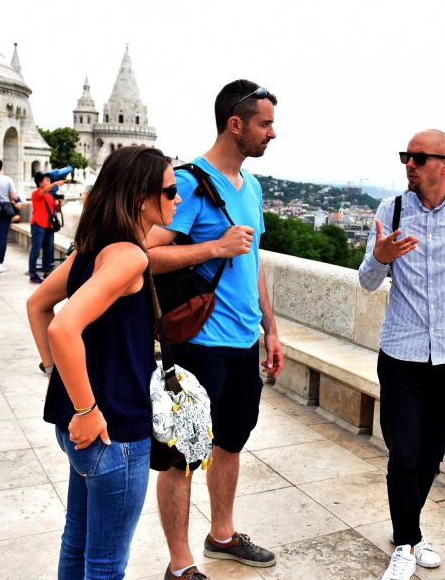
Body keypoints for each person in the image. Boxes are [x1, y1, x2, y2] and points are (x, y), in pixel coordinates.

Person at [144, 80, 283, 580]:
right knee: (181, 456)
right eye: (265, 123)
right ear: (236, 124)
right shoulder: (186, 183)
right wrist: (213, 247)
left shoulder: (254, 187)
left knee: (230, 441)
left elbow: (254, 263)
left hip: (243, 343)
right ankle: (180, 565)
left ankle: (221, 536)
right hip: (195, 344)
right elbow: (146, 256)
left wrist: (271, 329)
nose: (273, 133)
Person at [27, 146, 181, 580]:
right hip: (115, 431)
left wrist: (61, 377)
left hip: (81, 428)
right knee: (106, 566)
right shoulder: (129, 256)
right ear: (140, 197)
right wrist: (87, 408)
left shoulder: (91, 248)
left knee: (76, 544)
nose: (178, 200)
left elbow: (38, 304)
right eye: (170, 191)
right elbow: (62, 328)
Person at [358, 129, 445, 580]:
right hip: (402, 351)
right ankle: (406, 544)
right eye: (406, 156)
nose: (410, 164)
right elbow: (366, 280)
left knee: (432, 453)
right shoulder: (392, 210)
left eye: (419, 157)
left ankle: (409, 531)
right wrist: (380, 257)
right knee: (403, 454)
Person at [28, 172, 65, 284]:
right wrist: (55, 183)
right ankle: (32, 273)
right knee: (36, 250)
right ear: (40, 183)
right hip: (38, 224)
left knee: (48, 250)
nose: (48, 182)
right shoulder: (36, 193)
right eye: (46, 180)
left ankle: (47, 271)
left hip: (49, 226)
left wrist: (59, 203)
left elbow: (57, 210)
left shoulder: (49, 196)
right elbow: (43, 191)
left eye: (49, 180)